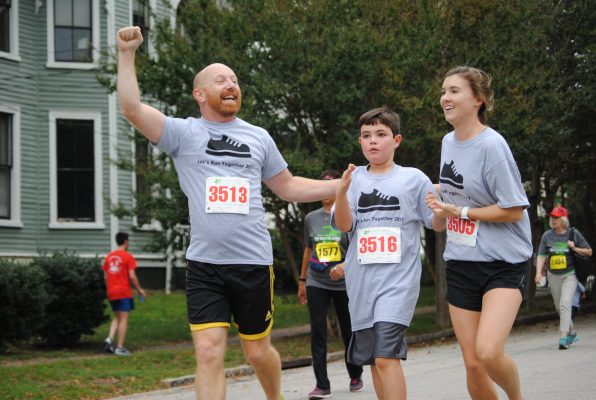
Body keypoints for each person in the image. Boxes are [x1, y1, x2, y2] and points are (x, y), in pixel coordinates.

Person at [116, 26, 337, 400]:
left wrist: (339, 187)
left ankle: (274, 396)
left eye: (234, 79)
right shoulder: (182, 134)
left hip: (251, 263)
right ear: (200, 94)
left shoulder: (258, 137)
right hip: (205, 265)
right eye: (220, 79)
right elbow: (132, 108)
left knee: (257, 351)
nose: (230, 84)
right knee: (208, 351)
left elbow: (287, 186)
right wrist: (127, 54)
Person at [425, 66, 533, 400]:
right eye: (444, 91)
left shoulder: (492, 146)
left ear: (478, 100)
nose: (446, 97)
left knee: (488, 353)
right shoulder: (448, 142)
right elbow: (463, 186)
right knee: (472, 364)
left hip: (502, 262)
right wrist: (439, 193)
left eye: (455, 91)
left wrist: (462, 211)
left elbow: (514, 208)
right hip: (461, 260)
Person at [332, 107, 444, 400]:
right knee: (374, 361)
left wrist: (444, 209)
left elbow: (435, 223)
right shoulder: (352, 180)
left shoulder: (413, 178)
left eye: (381, 134)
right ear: (359, 142)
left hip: (398, 283)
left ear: (396, 140)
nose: (373, 141)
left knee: (385, 356)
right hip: (361, 285)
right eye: (366, 136)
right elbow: (344, 225)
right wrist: (341, 192)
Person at [298, 170, 363, 399]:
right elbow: (308, 250)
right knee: (318, 331)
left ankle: (355, 374)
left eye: (330, 186)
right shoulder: (311, 218)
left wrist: (345, 265)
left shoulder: (348, 214)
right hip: (317, 281)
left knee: (348, 331)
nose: (325, 191)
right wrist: (302, 280)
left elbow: (357, 247)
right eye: (322, 186)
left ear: (338, 188)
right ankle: (322, 384)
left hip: (344, 283)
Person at [534, 206, 592, 349]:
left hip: (569, 274)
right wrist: (538, 272)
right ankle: (572, 332)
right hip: (553, 275)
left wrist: (574, 248)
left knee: (565, 304)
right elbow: (541, 255)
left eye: (556, 217)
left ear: (564, 219)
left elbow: (589, 251)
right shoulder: (547, 236)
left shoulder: (573, 233)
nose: (553, 220)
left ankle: (563, 337)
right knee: (559, 307)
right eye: (552, 217)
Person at [102, 232, 146, 356]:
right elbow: (132, 276)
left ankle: (109, 339)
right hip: (123, 291)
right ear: (126, 242)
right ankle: (119, 347)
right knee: (124, 319)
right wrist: (139, 289)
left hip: (111, 291)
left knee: (117, 317)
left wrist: (109, 289)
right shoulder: (128, 257)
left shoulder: (109, 257)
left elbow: (105, 277)